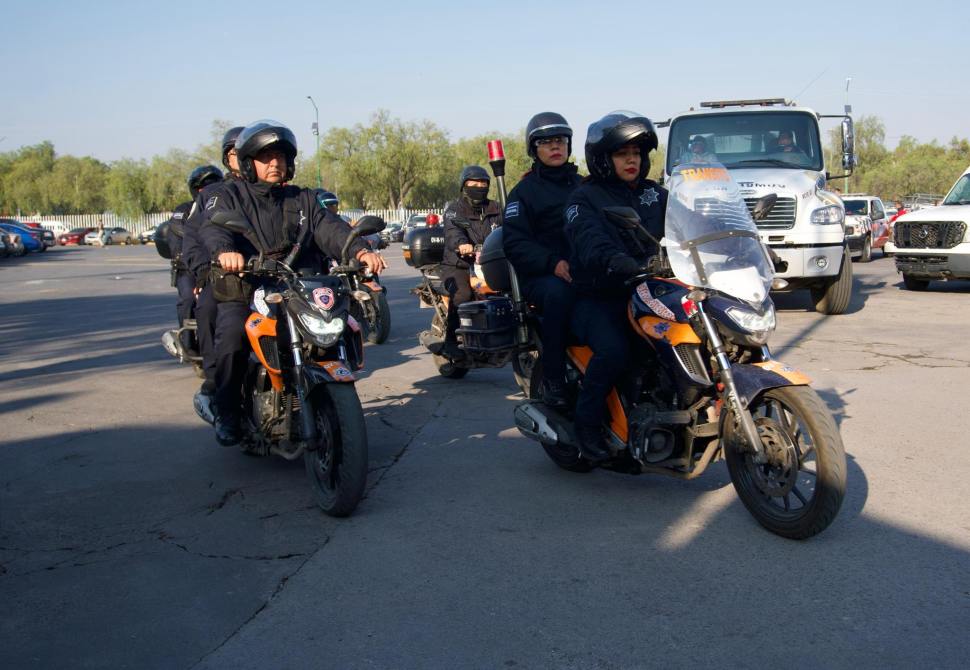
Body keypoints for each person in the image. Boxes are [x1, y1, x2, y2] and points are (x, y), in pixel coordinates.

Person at [200, 120, 385, 446]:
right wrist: (226, 251)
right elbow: (213, 228)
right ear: (247, 162)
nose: (275, 163)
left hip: (299, 284)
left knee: (340, 326)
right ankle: (226, 410)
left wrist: (359, 250)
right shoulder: (224, 194)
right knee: (231, 336)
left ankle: (326, 401)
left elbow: (331, 228)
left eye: (281, 157)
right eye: (266, 157)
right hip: (249, 285)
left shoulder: (304, 199)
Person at [564, 111, 667, 462]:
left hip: (652, 290)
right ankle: (587, 427)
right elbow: (589, 241)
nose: (632, 160)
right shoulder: (584, 199)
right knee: (614, 350)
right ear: (603, 159)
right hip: (602, 294)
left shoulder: (656, 194)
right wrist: (619, 261)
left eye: (637, 153)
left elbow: (693, 221)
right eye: (623, 153)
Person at [502, 112, 580, 407]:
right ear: (534, 149)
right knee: (560, 296)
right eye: (546, 143)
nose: (555, 147)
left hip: (584, 269)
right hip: (543, 275)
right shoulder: (524, 192)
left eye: (559, 141)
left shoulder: (584, 185)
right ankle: (554, 379)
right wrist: (553, 264)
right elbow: (515, 242)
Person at [182, 127, 245, 420]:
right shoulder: (213, 195)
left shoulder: (280, 193)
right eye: (234, 152)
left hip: (270, 277)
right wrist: (206, 272)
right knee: (207, 305)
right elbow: (196, 237)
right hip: (225, 275)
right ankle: (217, 377)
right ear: (227, 158)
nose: (240, 157)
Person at [439, 165, 503, 358]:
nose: (479, 186)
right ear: (464, 186)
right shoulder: (454, 210)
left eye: (483, 183)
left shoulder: (496, 208)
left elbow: (510, 228)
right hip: (459, 263)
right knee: (462, 295)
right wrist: (462, 244)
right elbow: (452, 232)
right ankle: (450, 342)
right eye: (474, 183)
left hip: (490, 261)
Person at [164, 165, 223, 355]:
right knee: (189, 299)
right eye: (203, 187)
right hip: (188, 269)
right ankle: (189, 346)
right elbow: (180, 231)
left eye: (214, 185)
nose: (207, 190)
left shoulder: (225, 207)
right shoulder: (184, 210)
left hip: (220, 267)